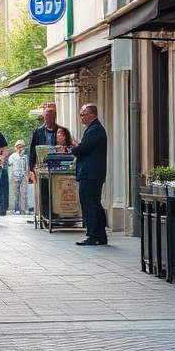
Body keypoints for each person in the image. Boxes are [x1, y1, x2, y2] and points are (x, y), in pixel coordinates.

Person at [70, 103, 108, 246]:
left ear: (91, 116)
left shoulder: (94, 130)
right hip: (93, 173)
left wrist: (74, 148)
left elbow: (83, 149)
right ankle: (100, 234)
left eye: (82, 115)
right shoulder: (94, 129)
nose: (81, 118)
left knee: (89, 203)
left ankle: (93, 234)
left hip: (90, 173)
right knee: (94, 203)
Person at [27, 102, 72, 185]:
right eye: (47, 115)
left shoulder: (62, 131)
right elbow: (32, 150)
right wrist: (31, 168)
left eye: (51, 115)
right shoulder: (38, 131)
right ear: (44, 116)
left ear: (55, 116)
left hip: (59, 167)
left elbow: (70, 147)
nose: (49, 118)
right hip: (42, 168)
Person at [8, 140, 30, 214]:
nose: (20, 148)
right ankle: (13, 208)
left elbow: (27, 166)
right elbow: (10, 165)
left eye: (21, 147)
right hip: (15, 175)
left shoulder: (25, 157)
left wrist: (27, 175)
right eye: (18, 147)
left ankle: (23, 209)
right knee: (14, 193)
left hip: (23, 176)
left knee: (23, 193)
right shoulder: (12, 156)